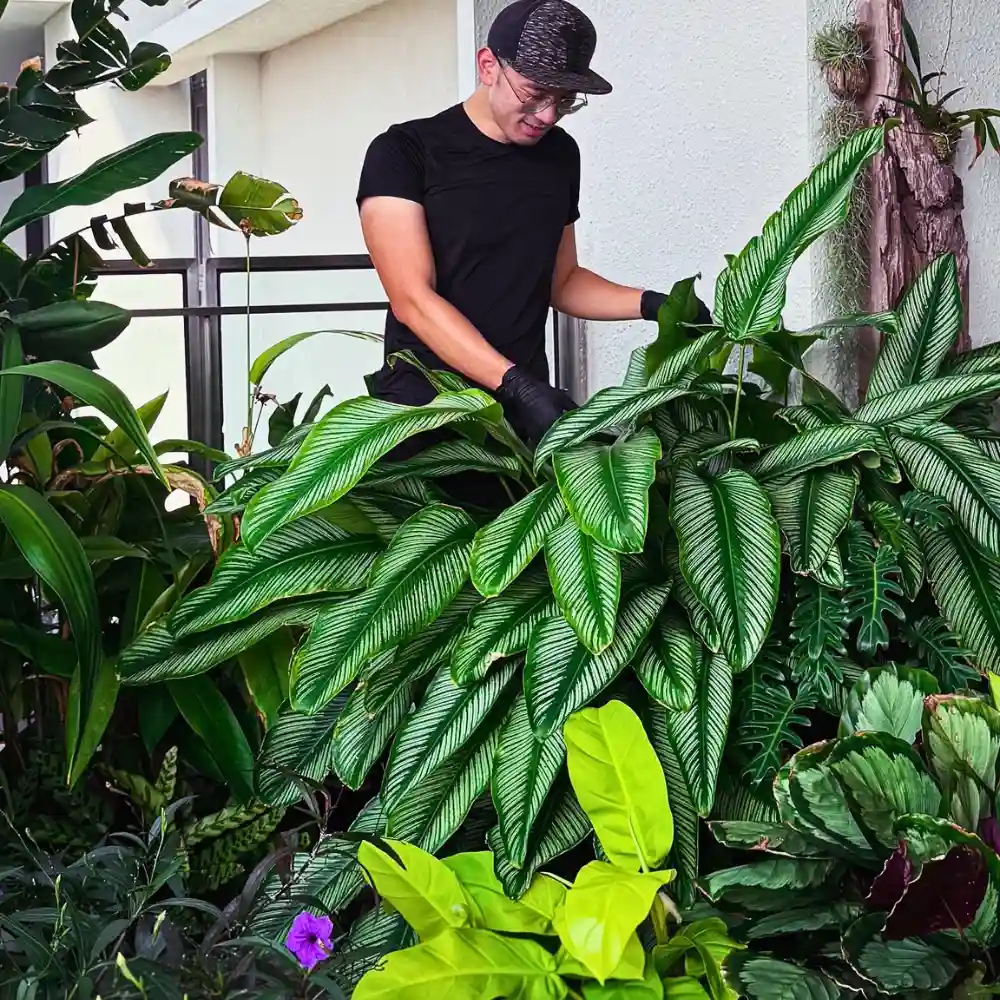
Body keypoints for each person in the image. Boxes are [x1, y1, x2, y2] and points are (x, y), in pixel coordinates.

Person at [356, 0, 709, 456]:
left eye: (564, 100)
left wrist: (655, 304)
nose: (547, 115)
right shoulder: (403, 152)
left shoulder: (560, 155)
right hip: (425, 409)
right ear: (489, 66)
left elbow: (563, 281)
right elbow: (413, 300)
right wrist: (515, 384)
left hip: (522, 414)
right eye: (534, 93)